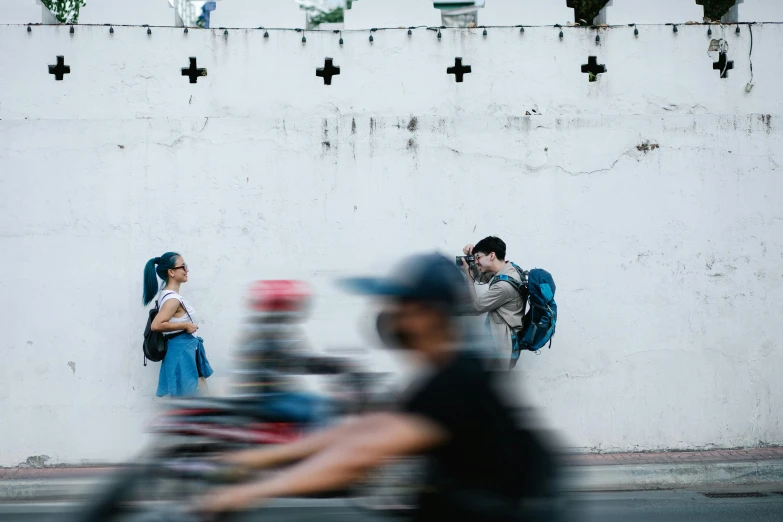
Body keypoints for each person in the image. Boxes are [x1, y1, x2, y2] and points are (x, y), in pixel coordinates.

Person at [200, 253, 557, 521]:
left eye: (400, 305)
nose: (388, 314)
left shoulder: (458, 383)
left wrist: (253, 490)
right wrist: (258, 457)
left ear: (427, 315)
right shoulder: (440, 376)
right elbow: (364, 429)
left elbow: (359, 455)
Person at [142, 252, 213, 397]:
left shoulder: (168, 295)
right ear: (171, 272)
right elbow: (156, 325)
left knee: (195, 396)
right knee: (189, 398)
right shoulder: (172, 299)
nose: (186, 270)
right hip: (182, 351)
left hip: (184, 349)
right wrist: (185, 325)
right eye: (183, 266)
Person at [460, 236, 526, 362]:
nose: (476, 261)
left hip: (502, 349)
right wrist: (474, 256)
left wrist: (468, 272)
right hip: (504, 343)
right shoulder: (509, 269)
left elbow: (476, 307)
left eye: (478, 258)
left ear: (491, 255)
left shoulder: (503, 286)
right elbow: (480, 278)